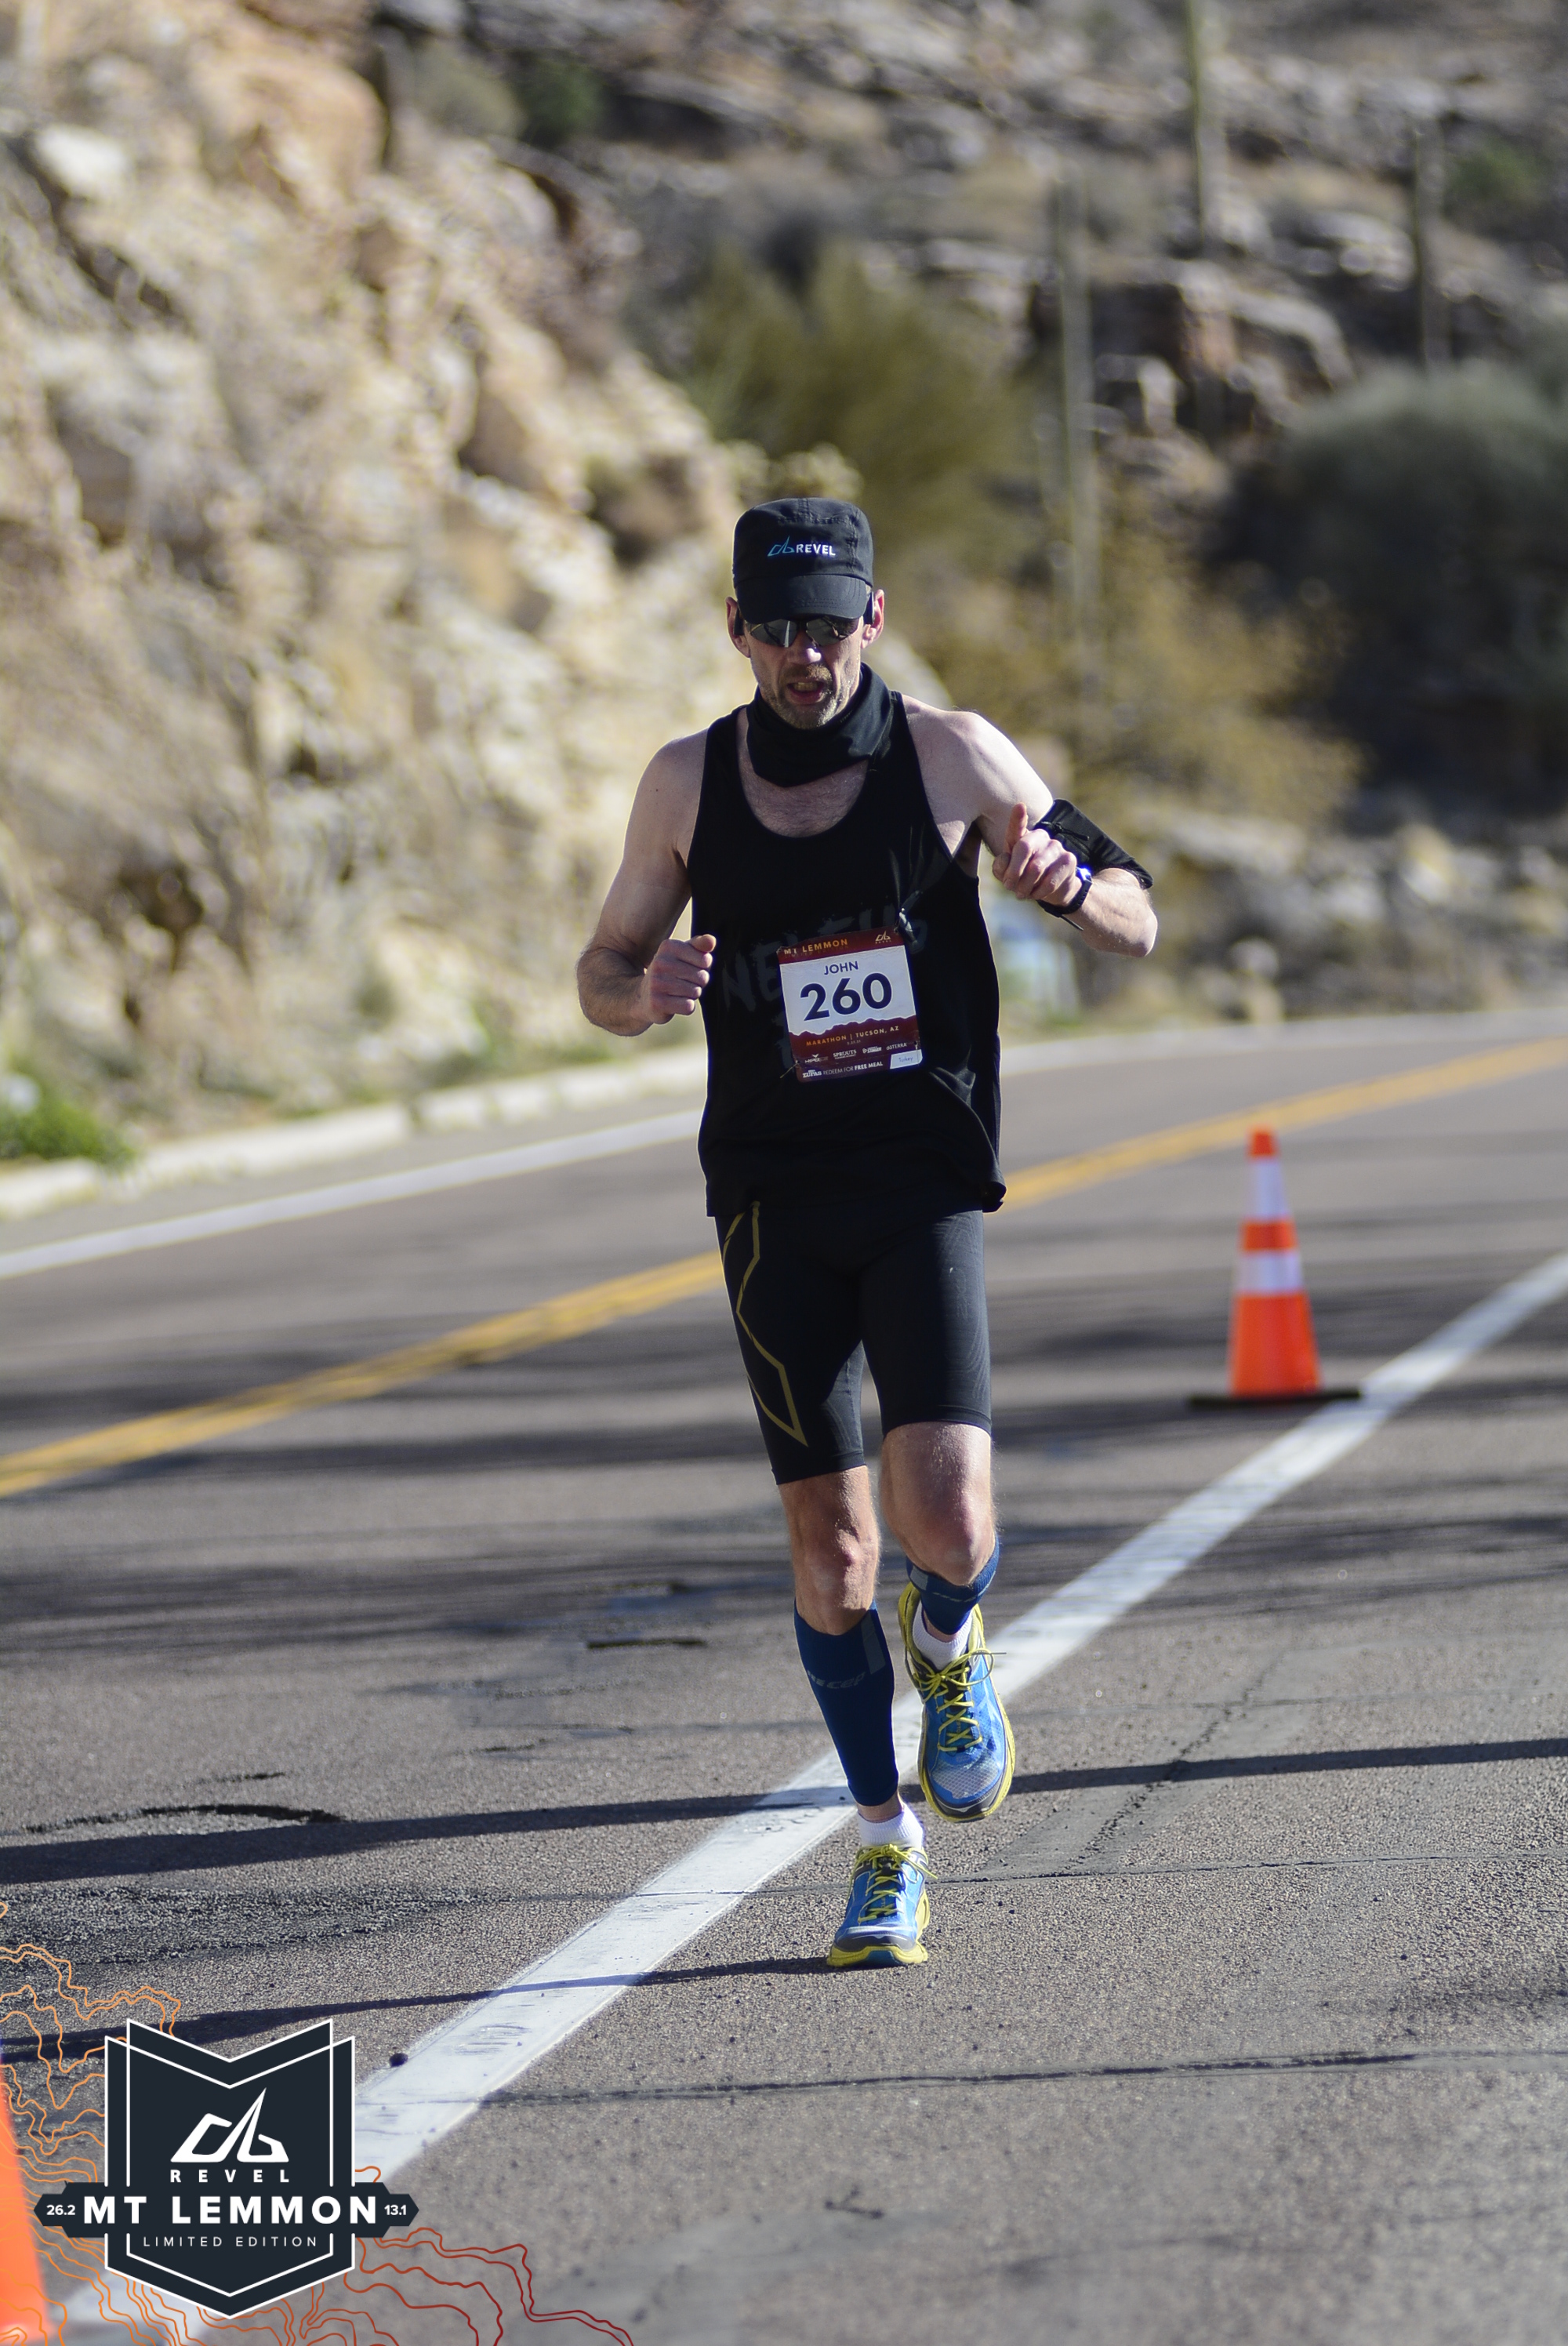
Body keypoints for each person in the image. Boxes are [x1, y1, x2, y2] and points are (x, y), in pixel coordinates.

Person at [578, 499, 1156, 1968]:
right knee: (834, 1560)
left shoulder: (955, 756)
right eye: (777, 628)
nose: (805, 654)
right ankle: (886, 1844)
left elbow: (1136, 912)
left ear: (873, 620)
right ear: (738, 630)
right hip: (772, 1195)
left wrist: (1067, 889)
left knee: (947, 1520)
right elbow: (602, 965)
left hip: (919, 1175)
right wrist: (643, 995)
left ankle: (950, 1640)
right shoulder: (686, 782)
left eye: (829, 626)